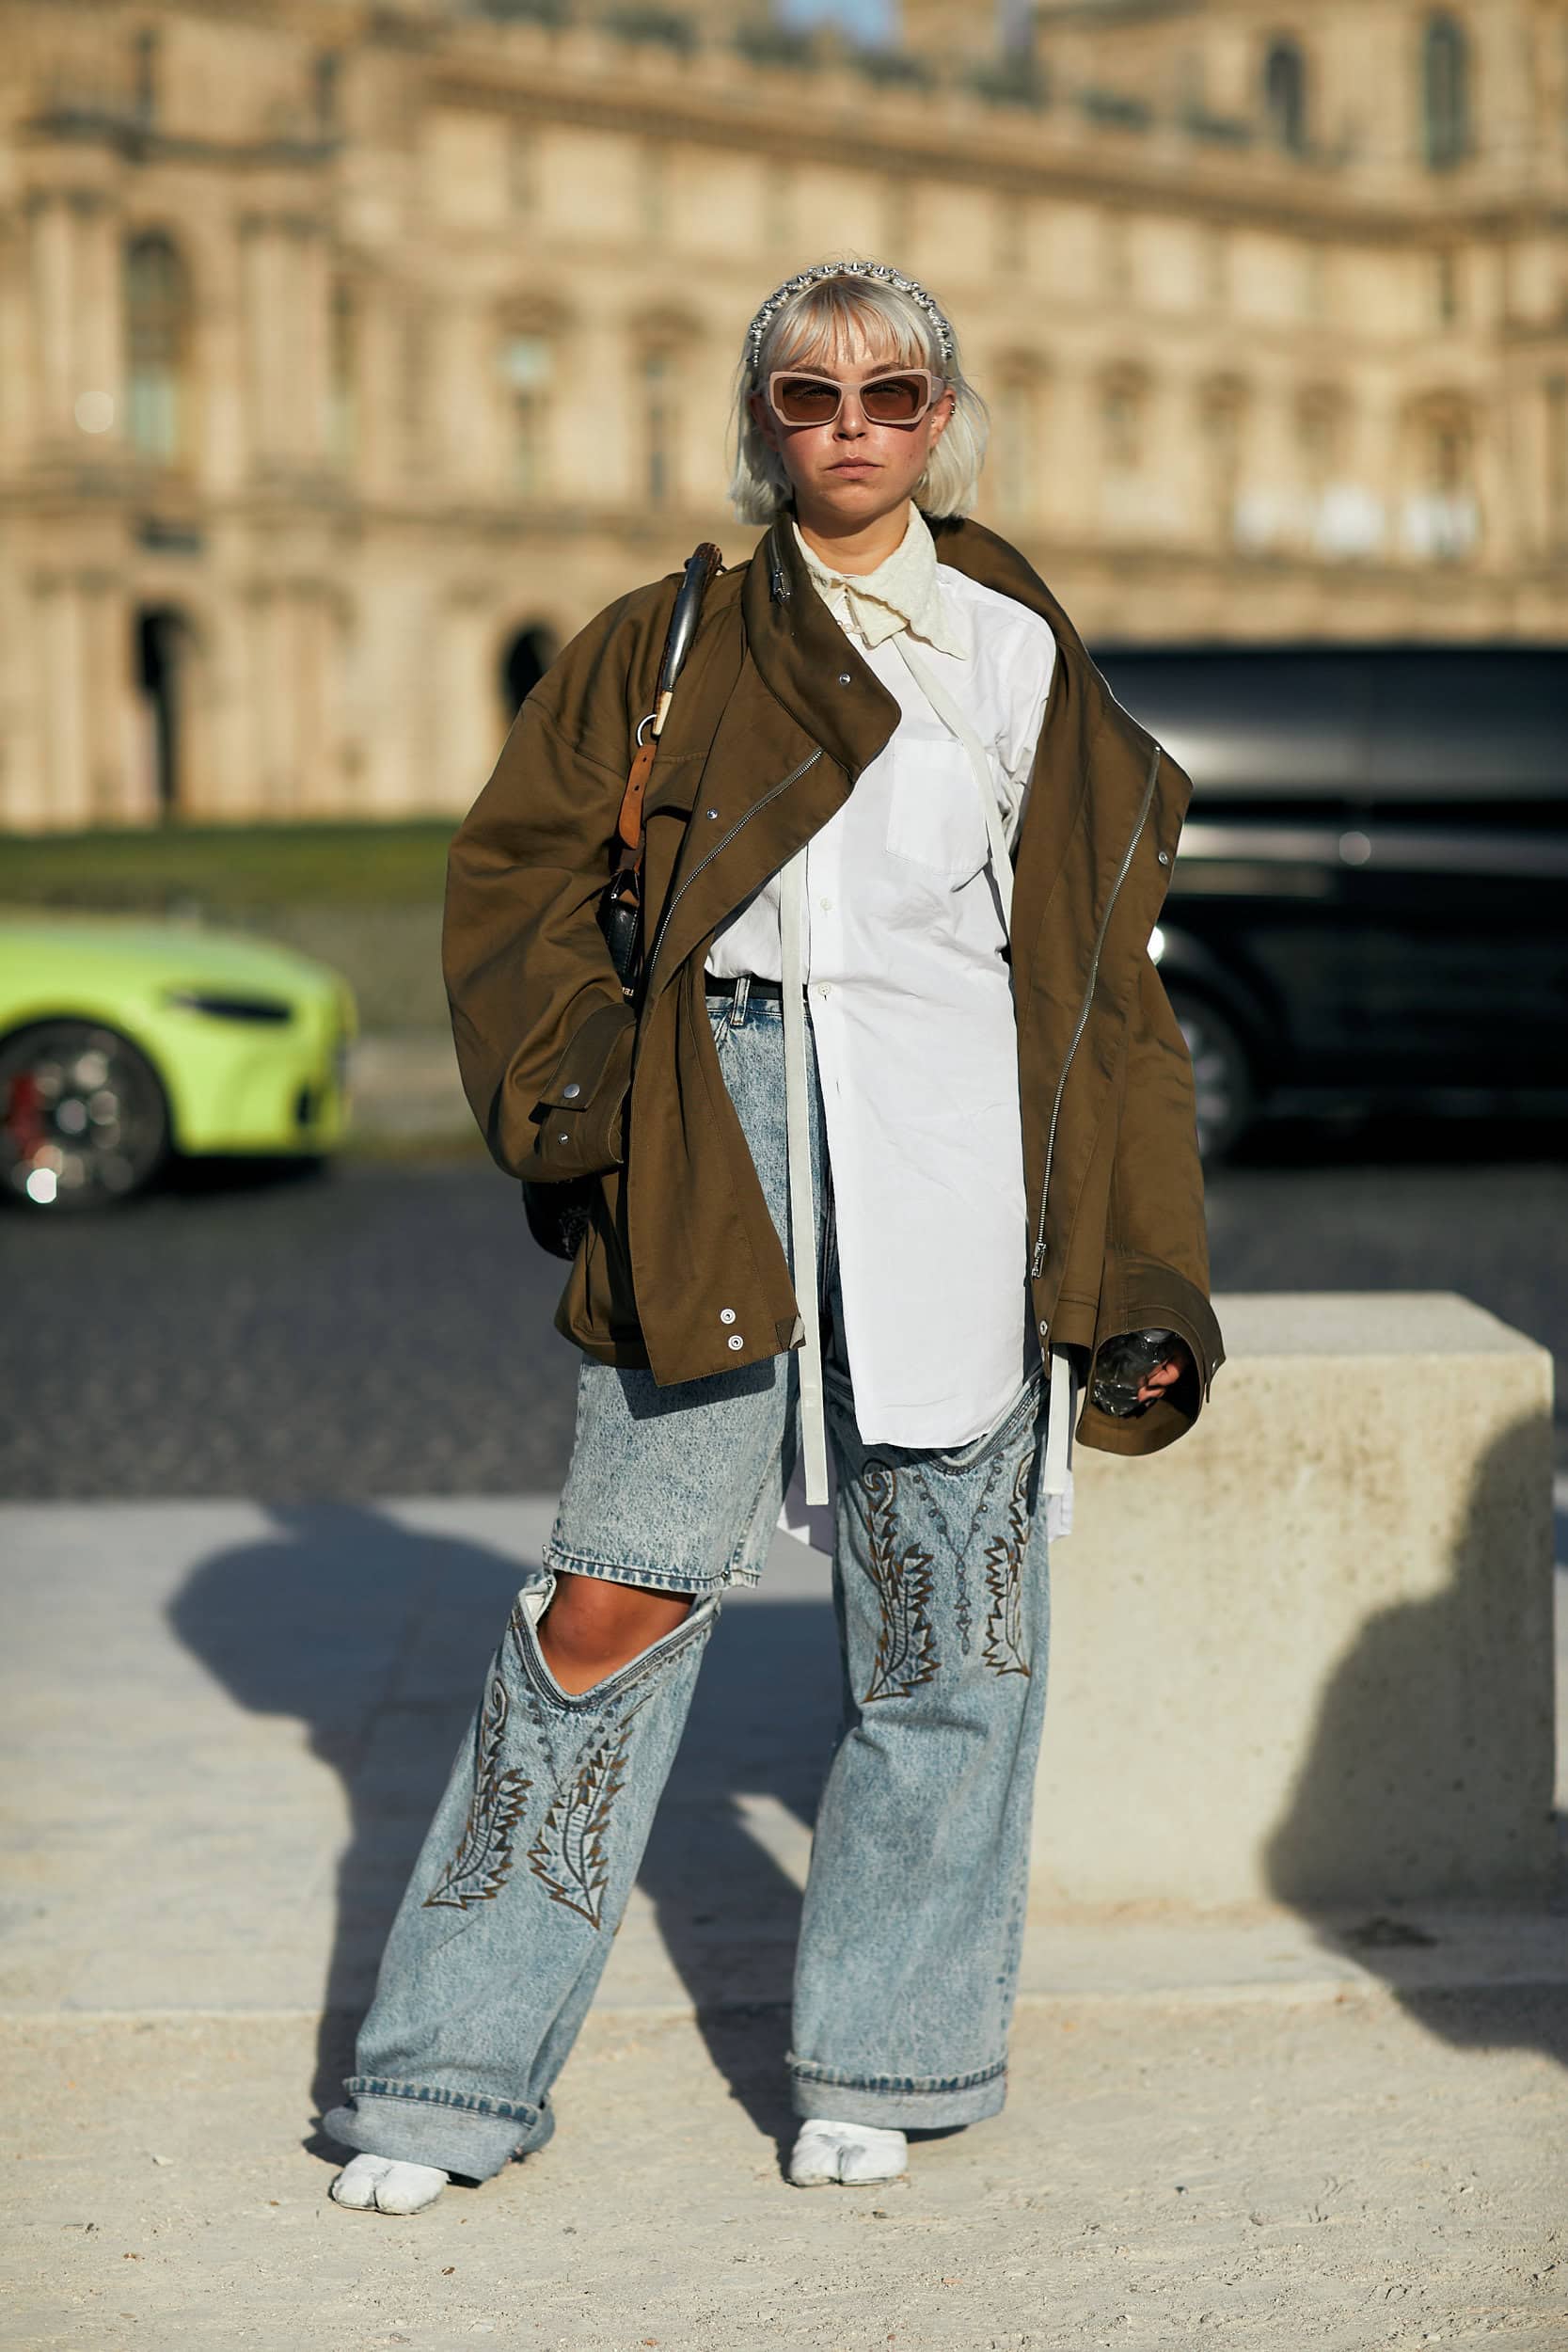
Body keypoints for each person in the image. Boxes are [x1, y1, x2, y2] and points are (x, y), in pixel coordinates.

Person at [326, 259, 1223, 2215]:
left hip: (963, 1143)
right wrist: (585, 1102)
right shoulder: (663, 642)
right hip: (714, 1125)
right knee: (610, 1600)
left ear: (942, 416)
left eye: (892, 394)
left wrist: (1142, 1262)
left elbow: (1104, 998)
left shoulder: (1014, 648)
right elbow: (514, 883)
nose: (851, 428)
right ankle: (447, 2073)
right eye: (810, 396)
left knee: (950, 1624)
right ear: (762, 423)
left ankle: (893, 2052)